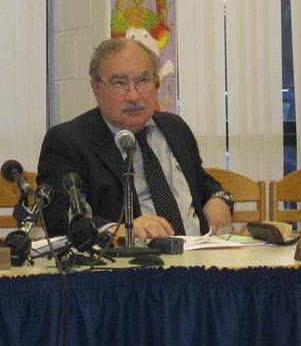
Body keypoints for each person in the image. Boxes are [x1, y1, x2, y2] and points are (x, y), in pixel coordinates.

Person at [37, 38, 233, 239]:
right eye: (119, 84)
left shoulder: (175, 129)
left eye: (142, 81)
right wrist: (122, 230)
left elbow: (203, 183)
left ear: (155, 83)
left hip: (200, 257)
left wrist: (219, 199)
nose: (133, 96)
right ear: (96, 88)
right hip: (130, 266)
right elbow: (57, 217)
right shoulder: (69, 141)